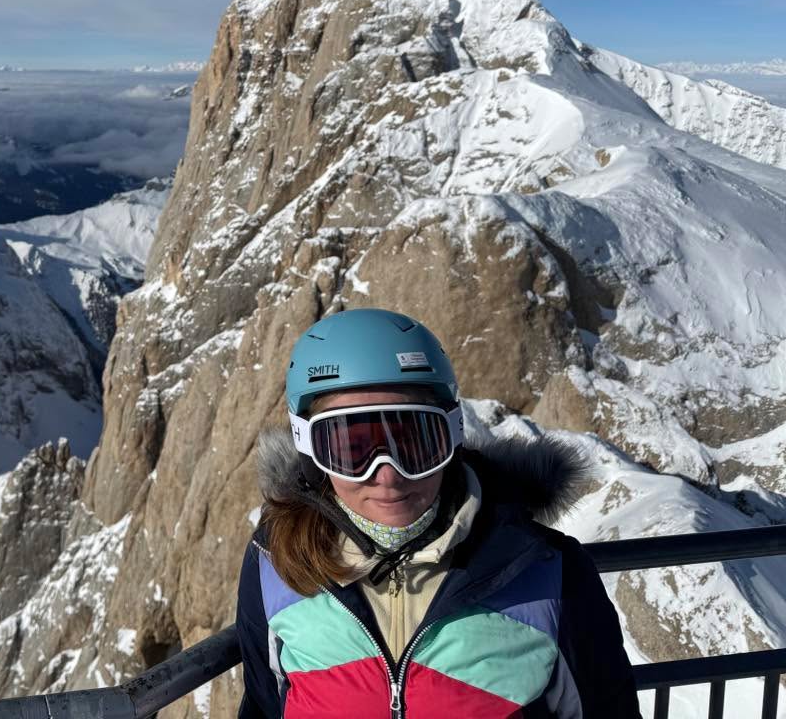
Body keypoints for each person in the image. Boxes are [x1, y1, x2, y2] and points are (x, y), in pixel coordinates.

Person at [235, 307, 640, 718]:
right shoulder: (277, 565)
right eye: (351, 450)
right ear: (310, 453)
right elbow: (265, 706)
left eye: (415, 443)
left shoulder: (549, 573)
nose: (388, 475)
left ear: (453, 437)